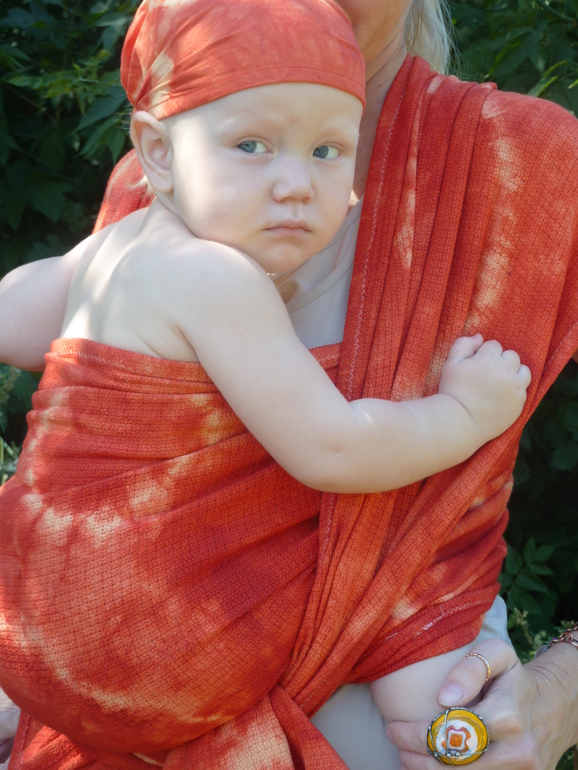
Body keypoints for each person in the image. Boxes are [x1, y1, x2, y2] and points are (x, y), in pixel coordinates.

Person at [0, 0, 577, 768]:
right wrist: (465, 412)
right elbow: (317, 448)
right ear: (157, 149)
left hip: (416, 709)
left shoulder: (525, 164)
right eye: (252, 146)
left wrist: (563, 691)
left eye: (327, 152)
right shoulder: (156, 184)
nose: (294, 184)